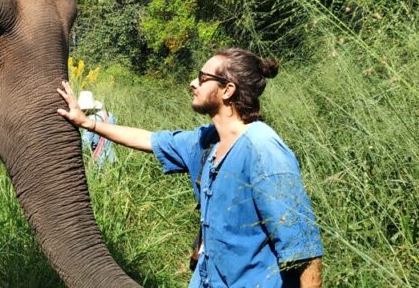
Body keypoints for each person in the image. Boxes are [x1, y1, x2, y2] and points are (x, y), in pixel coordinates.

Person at [57, 48, 323, 288]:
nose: (193, 83)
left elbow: (304, 249)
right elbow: (148, 139)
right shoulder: (207, 142)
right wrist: (88, 124)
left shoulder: (263, 149)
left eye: (203, 77)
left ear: (228, 90)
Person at [76, 91, 118, 168]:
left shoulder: (91, 120)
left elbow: (86, 142)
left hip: (100, 162)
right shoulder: (110, 115)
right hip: (113, 158)